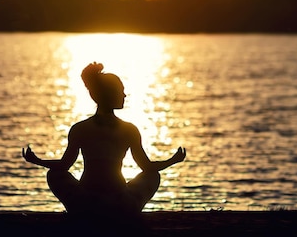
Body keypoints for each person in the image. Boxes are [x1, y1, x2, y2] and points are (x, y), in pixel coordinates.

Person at [22, 62, 186, 218]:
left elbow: (64, 166)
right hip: (120, 202)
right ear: (109, 94)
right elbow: (148, 167)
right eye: (121, 90)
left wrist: (38, 161)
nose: (124, 94)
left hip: (86, 201)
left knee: (54, 174)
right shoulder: (129, 130)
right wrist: (173, 160)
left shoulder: (80, 128)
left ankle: (81, 213)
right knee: (153, 176)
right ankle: (126, 214)